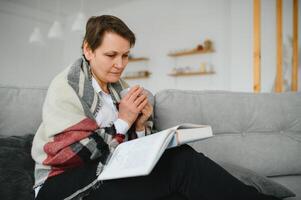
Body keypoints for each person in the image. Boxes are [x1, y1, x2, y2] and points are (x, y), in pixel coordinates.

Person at [31, 15, 280, 200]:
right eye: (111, 55)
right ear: (88, 49)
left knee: (179, 185)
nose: (120, 65)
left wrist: (139, 127)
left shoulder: (119, 88)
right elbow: (70, 155)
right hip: (59, 185)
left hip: (104, 174)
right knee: (181, 163)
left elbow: (125, 152)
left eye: (126, 55)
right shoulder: (66, 86)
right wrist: (124, 121)